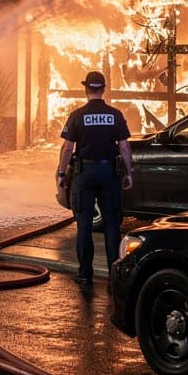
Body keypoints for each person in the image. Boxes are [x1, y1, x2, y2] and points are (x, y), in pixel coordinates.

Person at [56, 71, 133, 287]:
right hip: (109, 173)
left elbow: (67, 148)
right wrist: (128, 173)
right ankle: (113, 277)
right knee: (112, 226)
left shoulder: (77, 115)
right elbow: (124, 147)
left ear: (86, 89)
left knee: (84, 226)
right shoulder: (115, 115)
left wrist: (62, 174)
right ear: (104, 88)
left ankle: (85, 274)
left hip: (84, 174)